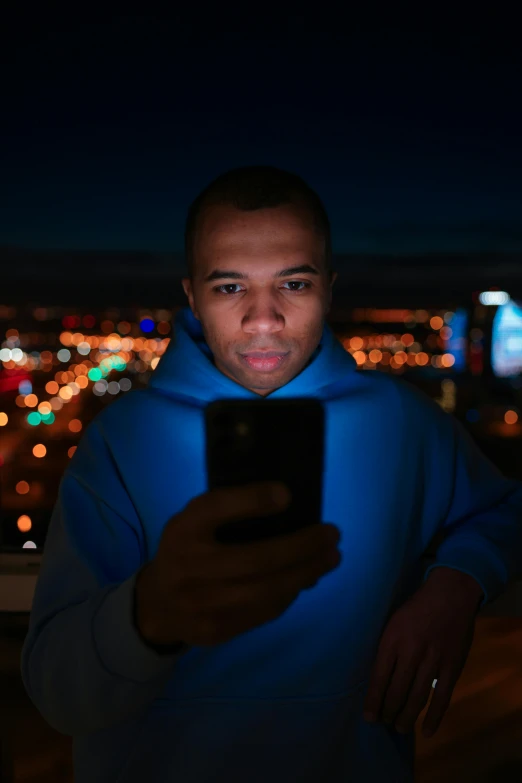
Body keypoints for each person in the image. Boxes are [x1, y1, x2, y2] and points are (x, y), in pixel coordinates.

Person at [21, 166, 522, 782]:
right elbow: (56, 690)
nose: (264, 319)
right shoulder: (118, 444)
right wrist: (148, 614)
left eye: (293, 282)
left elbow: (504, 510)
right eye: (230, 288)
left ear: (329, 290)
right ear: (193, 296)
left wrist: (455, 587)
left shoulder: (406, 423)